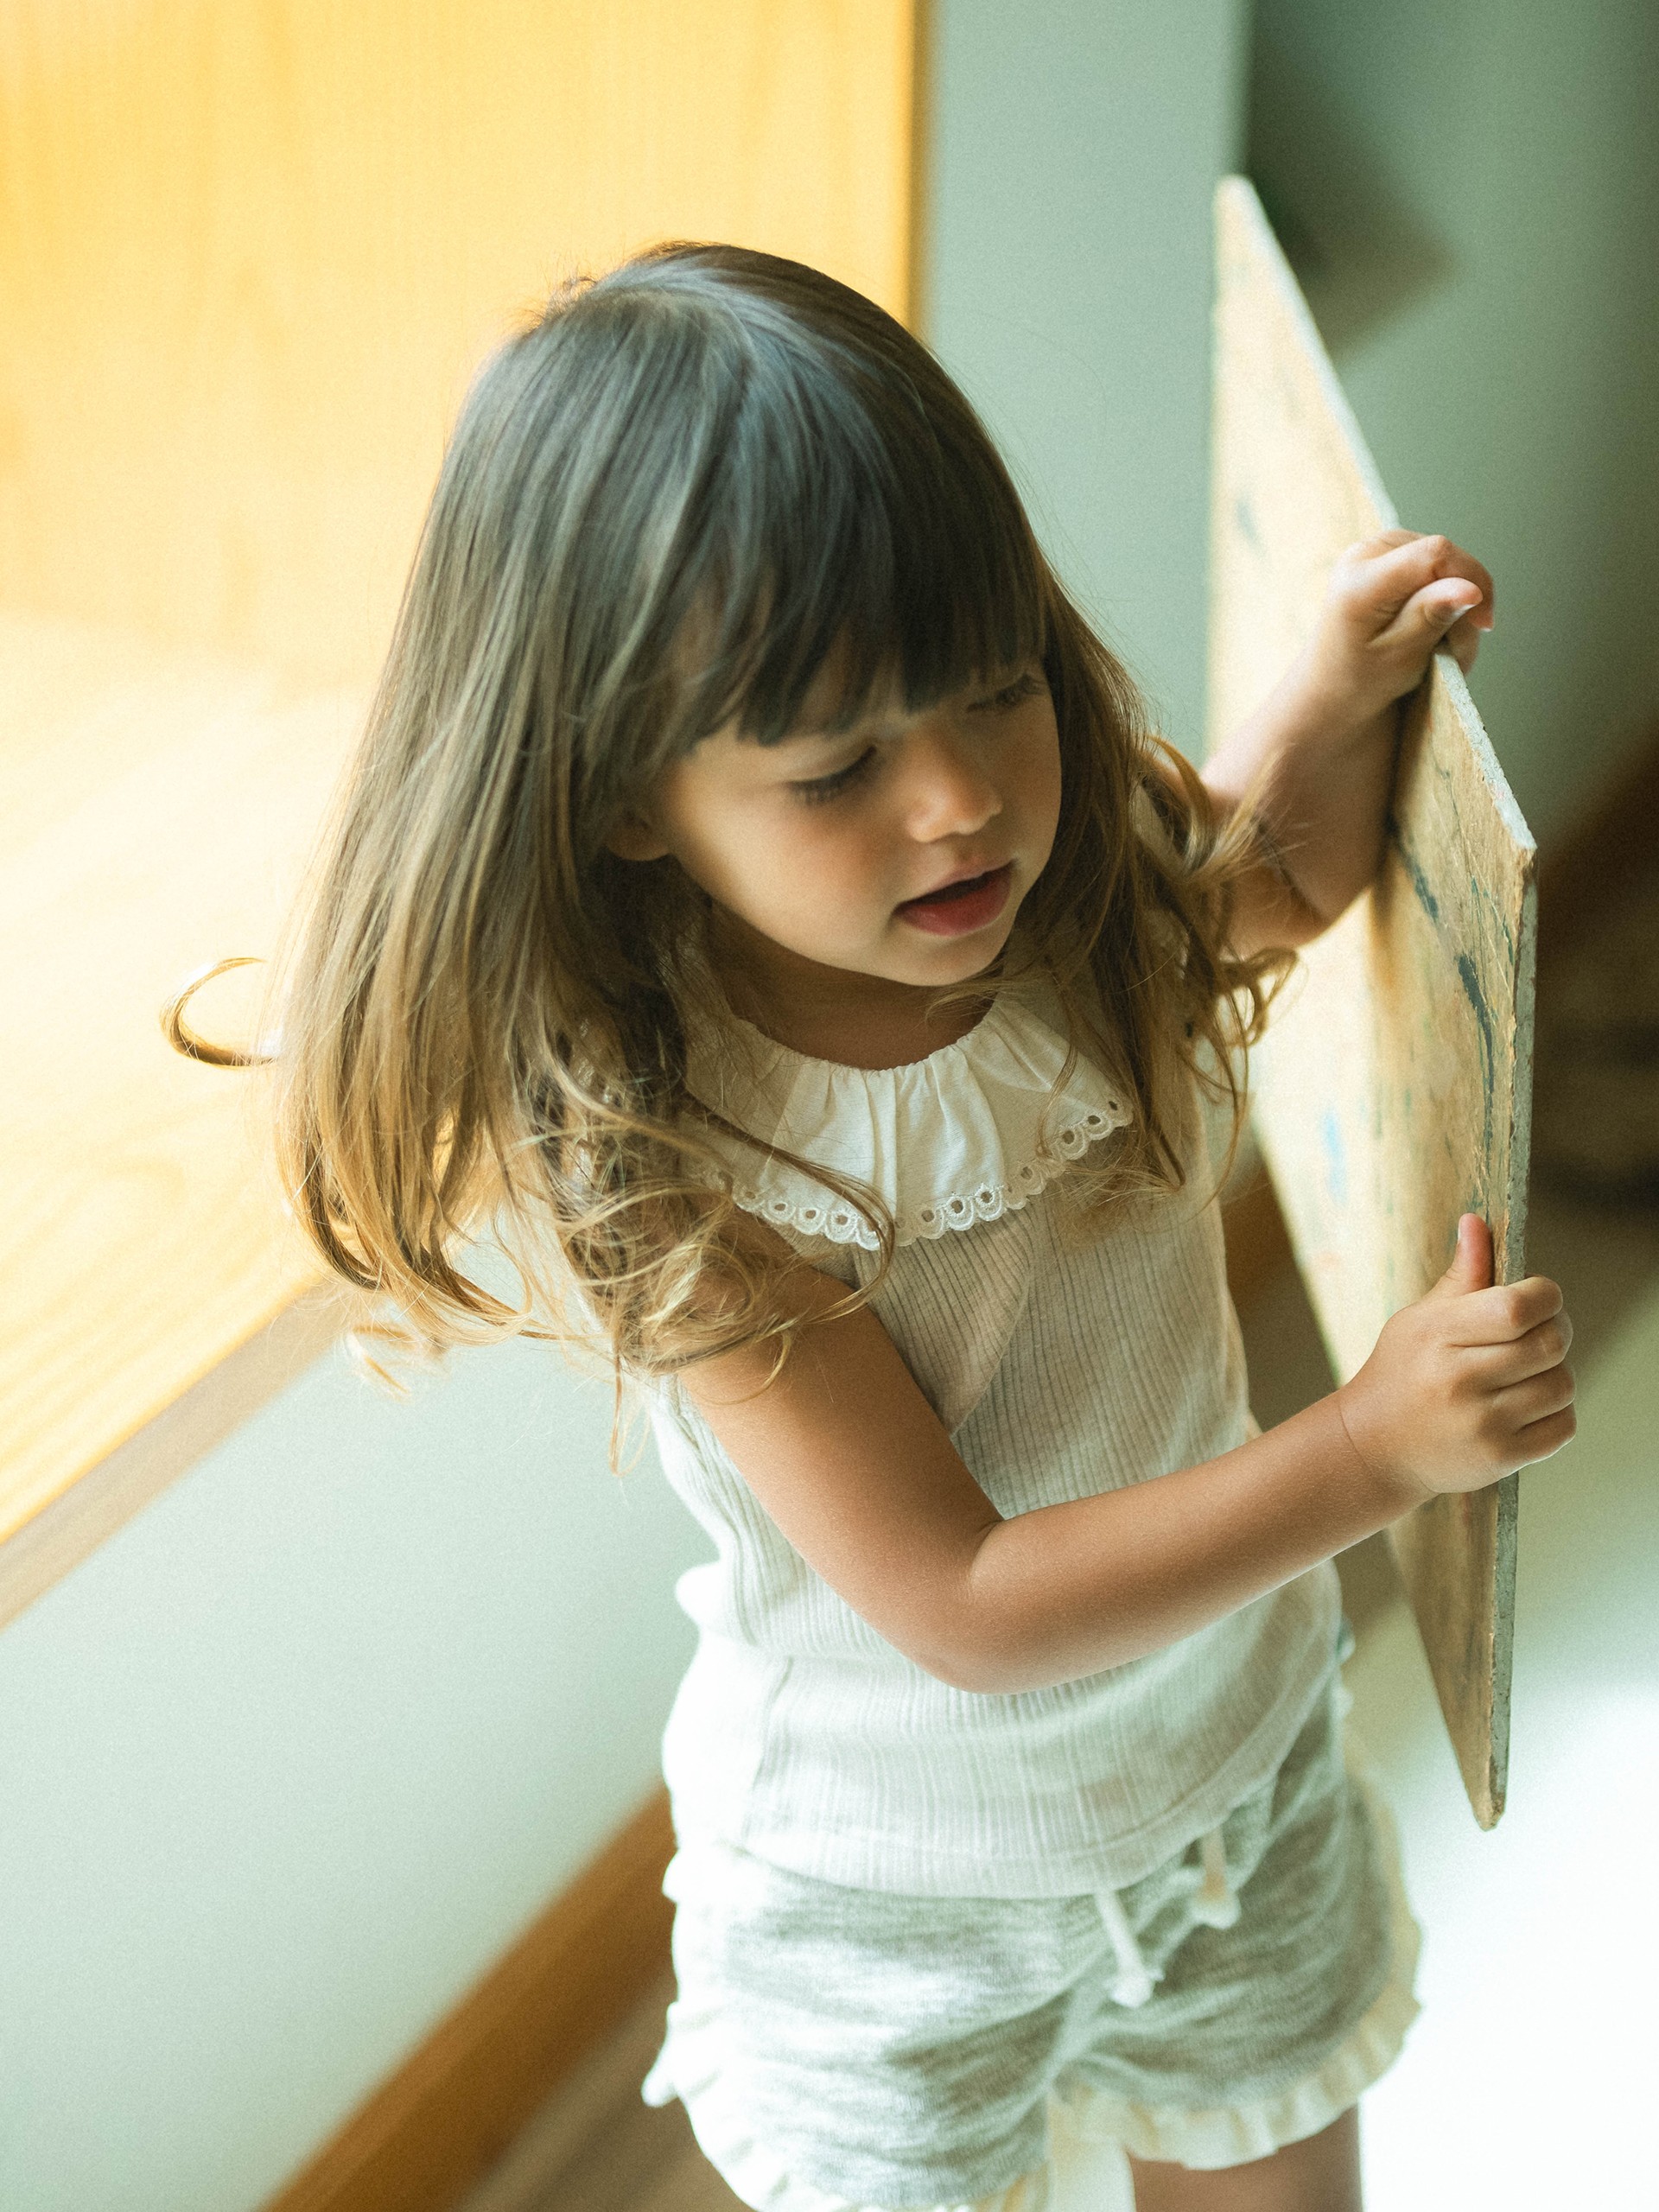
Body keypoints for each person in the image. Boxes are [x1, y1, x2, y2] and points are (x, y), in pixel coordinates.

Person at [188, 245, 1575, 2211]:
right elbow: (968, 1599)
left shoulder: (1074, 892)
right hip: (893, 1915)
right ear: (624, 799)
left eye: (996, 682)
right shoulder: (683, 1166)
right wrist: (1370, 1449)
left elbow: (1276, 875)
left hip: (1229, 1792)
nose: (958, 804)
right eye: (836, 765)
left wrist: (1331, 696)